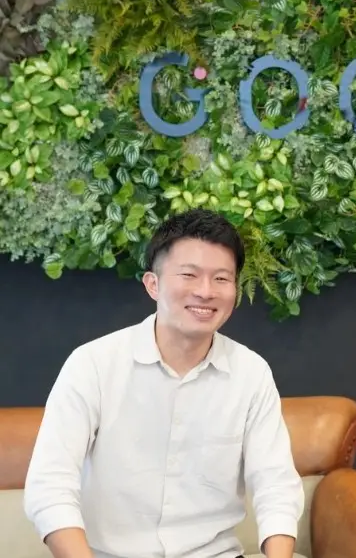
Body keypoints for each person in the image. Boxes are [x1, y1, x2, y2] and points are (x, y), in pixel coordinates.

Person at [23, 208, 304, 558]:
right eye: (189, 275)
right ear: (152, 284)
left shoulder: (251, 373)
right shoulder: (93, 364)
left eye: (221, 278)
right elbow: (50, 486)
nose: (206, 292)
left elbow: (275, 486)